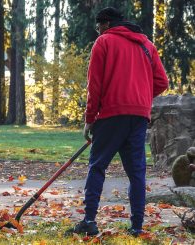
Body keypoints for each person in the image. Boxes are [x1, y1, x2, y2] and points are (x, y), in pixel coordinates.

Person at [65, 7, 168, 237]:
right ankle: (137, 227)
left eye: (98, 26)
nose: (98, 31)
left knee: (97, 166)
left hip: (111, 116)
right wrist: (139, 97)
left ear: (106, 24)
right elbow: (162, 81)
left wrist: (89, 119)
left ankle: (89, 221)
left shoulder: (104, 42)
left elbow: (95, 85)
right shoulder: (146, 45)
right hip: (139, 118)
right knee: (137, 173)